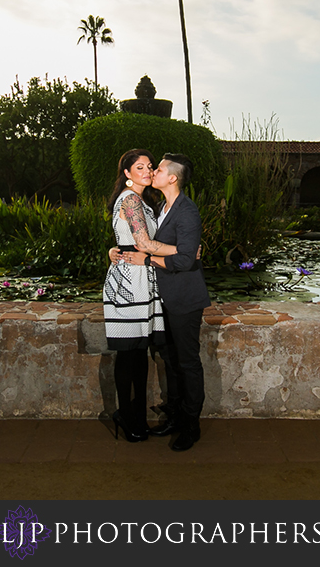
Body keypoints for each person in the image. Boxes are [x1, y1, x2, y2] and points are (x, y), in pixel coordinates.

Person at [118, 153, 211, 452]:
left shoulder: (187, 210)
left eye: (158, 169)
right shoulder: (161, 206)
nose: (153, 172)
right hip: (163, 298)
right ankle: (174, 414)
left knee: (187, 362)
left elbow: (184, 259)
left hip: (184, 298)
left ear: (172, 177)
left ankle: (191, 425)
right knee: (170, 360)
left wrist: (150, 258)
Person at [102, 149, 179, 443]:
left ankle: (136, 415)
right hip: (128, 282)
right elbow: (143, 242)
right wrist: (182, 252)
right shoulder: (130, 199)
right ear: (126, 173)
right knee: (127, 353)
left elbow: (130, 242)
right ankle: (125, 414)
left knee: (139, 352)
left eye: (149, 166)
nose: (147, 171)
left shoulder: (145, 201)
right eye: (139, 167)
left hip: (143, 278)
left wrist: (115, 250)